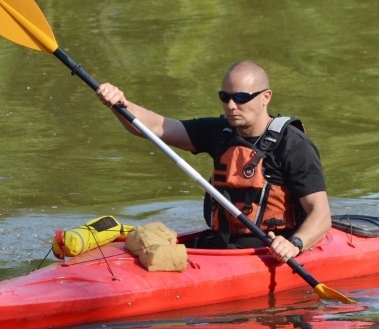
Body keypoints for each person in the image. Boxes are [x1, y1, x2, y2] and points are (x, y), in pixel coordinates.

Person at [96, 60, 331, 263]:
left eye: (241, 98)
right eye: (225, 97)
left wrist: (295, 244)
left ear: (265, 97)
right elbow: (156, 127)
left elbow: (320, 215)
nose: (231, 105)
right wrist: (120, 104)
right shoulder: (221, 131)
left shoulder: (295, 146)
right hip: (221, 245)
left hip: (269, 249)